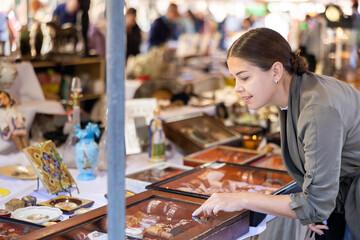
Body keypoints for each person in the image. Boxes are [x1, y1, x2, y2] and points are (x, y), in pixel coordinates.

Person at [192, 28, 359, 239]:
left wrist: (241, 199)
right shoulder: (297, 91)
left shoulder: (316, 110)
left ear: (276, 72)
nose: (237, 88)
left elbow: (315, 206)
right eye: (234, 79)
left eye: (244, 78)